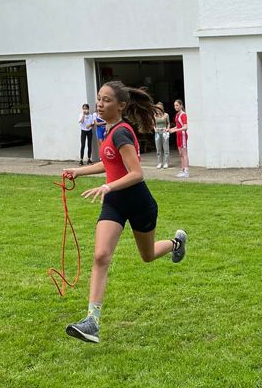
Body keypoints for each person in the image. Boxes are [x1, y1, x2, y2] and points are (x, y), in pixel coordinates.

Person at [61, 80, 187, 344]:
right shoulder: (107, 130)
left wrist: (107, 186)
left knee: (147, 255)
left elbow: (136, 174)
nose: (100, 104)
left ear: (121, 106)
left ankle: (176, 243)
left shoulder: (121, 133)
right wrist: (78, 171)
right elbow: (107, 163)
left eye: (106, 100)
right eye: (99, 98)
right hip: (115, 203)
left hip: (139, 202)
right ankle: (92, 321)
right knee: (100, 256)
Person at [169, 98, 189, 178]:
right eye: (174, 105)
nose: (175, 107)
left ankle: (186, 171)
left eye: (177, 105)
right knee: (180, 154)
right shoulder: (177, 115)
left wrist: (175, 130)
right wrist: (171, 129)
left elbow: (185, 127)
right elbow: (178, 126)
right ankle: (183, 169)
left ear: (181, 105)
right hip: (178, 135)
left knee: (184, 154)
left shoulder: (183, 114)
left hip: (183, 135)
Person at [154, 101, 171, 168]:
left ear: (162, 108)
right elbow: (153, 124)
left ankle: (166, 163)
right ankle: (159, 163)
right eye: (157, 108)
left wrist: (167, 129)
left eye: (159, 108)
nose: (158, 109)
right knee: (158, 149)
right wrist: (155, 129)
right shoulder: (154, 115)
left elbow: (168, 123)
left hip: (164, 132)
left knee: (166, 149)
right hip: (157, 133)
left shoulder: (166, 115)